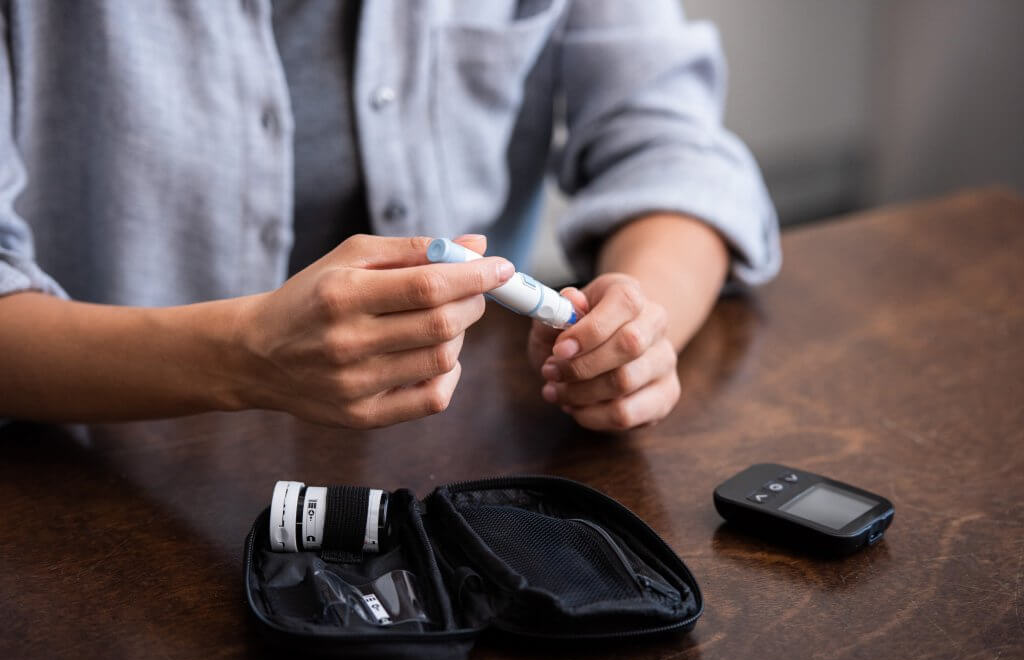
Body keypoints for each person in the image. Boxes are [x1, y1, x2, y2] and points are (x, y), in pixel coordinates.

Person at [0, 1, 779, 431]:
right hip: (92, 473)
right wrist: (245, 356)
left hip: (460, 464)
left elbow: (670, 145)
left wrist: (639, 330)